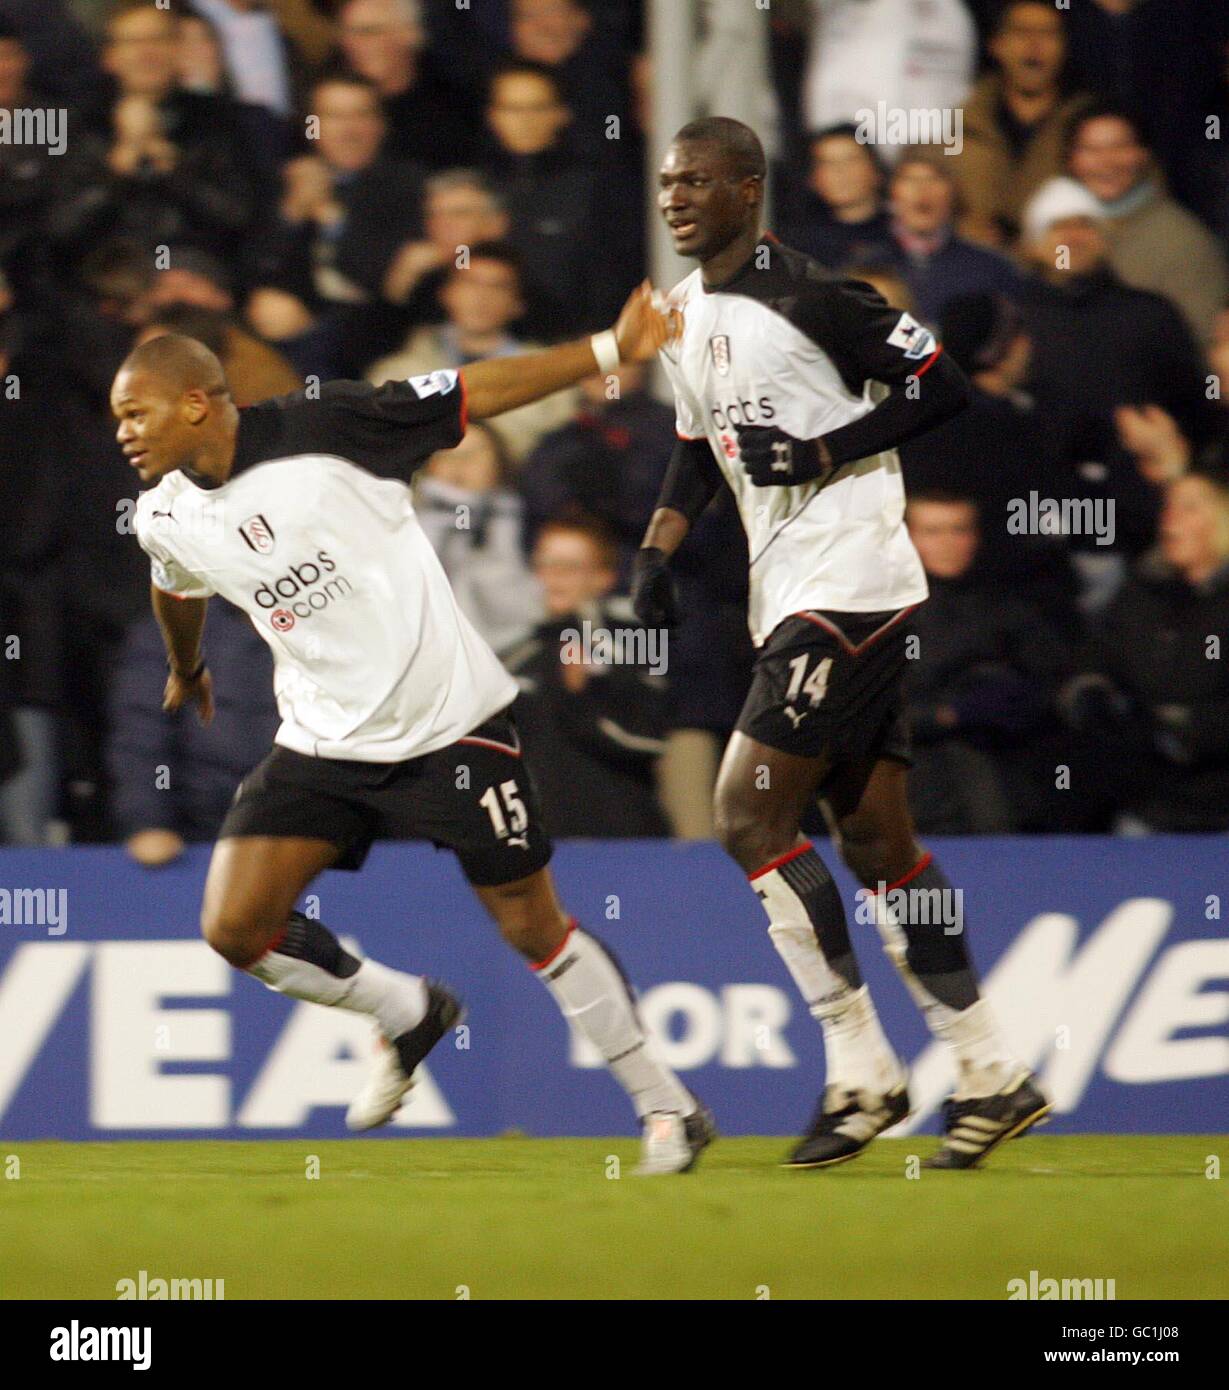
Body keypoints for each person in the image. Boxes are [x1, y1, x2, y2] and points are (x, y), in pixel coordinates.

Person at [111, 288, 716, 1175]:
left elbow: (473, 391)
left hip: (448, 725)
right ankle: (406, 1012)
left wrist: (606, 347)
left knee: (533, 929)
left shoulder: (330, 422)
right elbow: (176, 582)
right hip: (323, 741)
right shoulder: (163, 511)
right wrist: (187, 665)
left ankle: (666, 1105)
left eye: (136, 412)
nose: (123, 432)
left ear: (196, 402)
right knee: (236, 928)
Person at [632, 116, 1048, 1170]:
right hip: (788, 593)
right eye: (666, 182)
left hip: (851, 588)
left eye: (694, 182)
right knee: (874, 842)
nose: (673, 198)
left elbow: (940, 384)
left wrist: (822, 446)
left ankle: (860, 1066)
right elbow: (699, 444)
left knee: (744, 810)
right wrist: (657, 547)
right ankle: (992, 1072)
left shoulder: (819, 296)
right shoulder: (679, 314)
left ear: (745, 189)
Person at [1060, 473, 1229, 834]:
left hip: (1219, 808)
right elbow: (1100, 655)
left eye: (1189, 508)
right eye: (1168, 507)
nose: (1170, 518)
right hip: (1147, 806)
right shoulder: (1141, 594)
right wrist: (1091, 694)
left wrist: (1183, 730)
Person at [503, 514, 670, 839]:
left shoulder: (638, 639)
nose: (553, 578)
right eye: (546, 565)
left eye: (569, 567)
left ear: (603, 577)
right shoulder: (519, 656)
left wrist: (583, 694)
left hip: (622, 839)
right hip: (541, 842)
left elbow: (650, 738)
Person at [1065, 106, 1229, 348]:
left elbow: (1202, 351)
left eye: (1120, 147)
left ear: (1143, 154)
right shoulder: (1055, 230)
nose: (1106, 161)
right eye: (1091, 149)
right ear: (1071, 160)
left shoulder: (1182, 242)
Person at [947, 0, 1092, 247]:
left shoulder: (1091, 127)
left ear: (1064, 47)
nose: (1034, 45)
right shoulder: (955, 125)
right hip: (977, 275)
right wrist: (957, 232)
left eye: (1048, 34)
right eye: (1021, 32)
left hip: (1060, 275)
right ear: (996, 45)